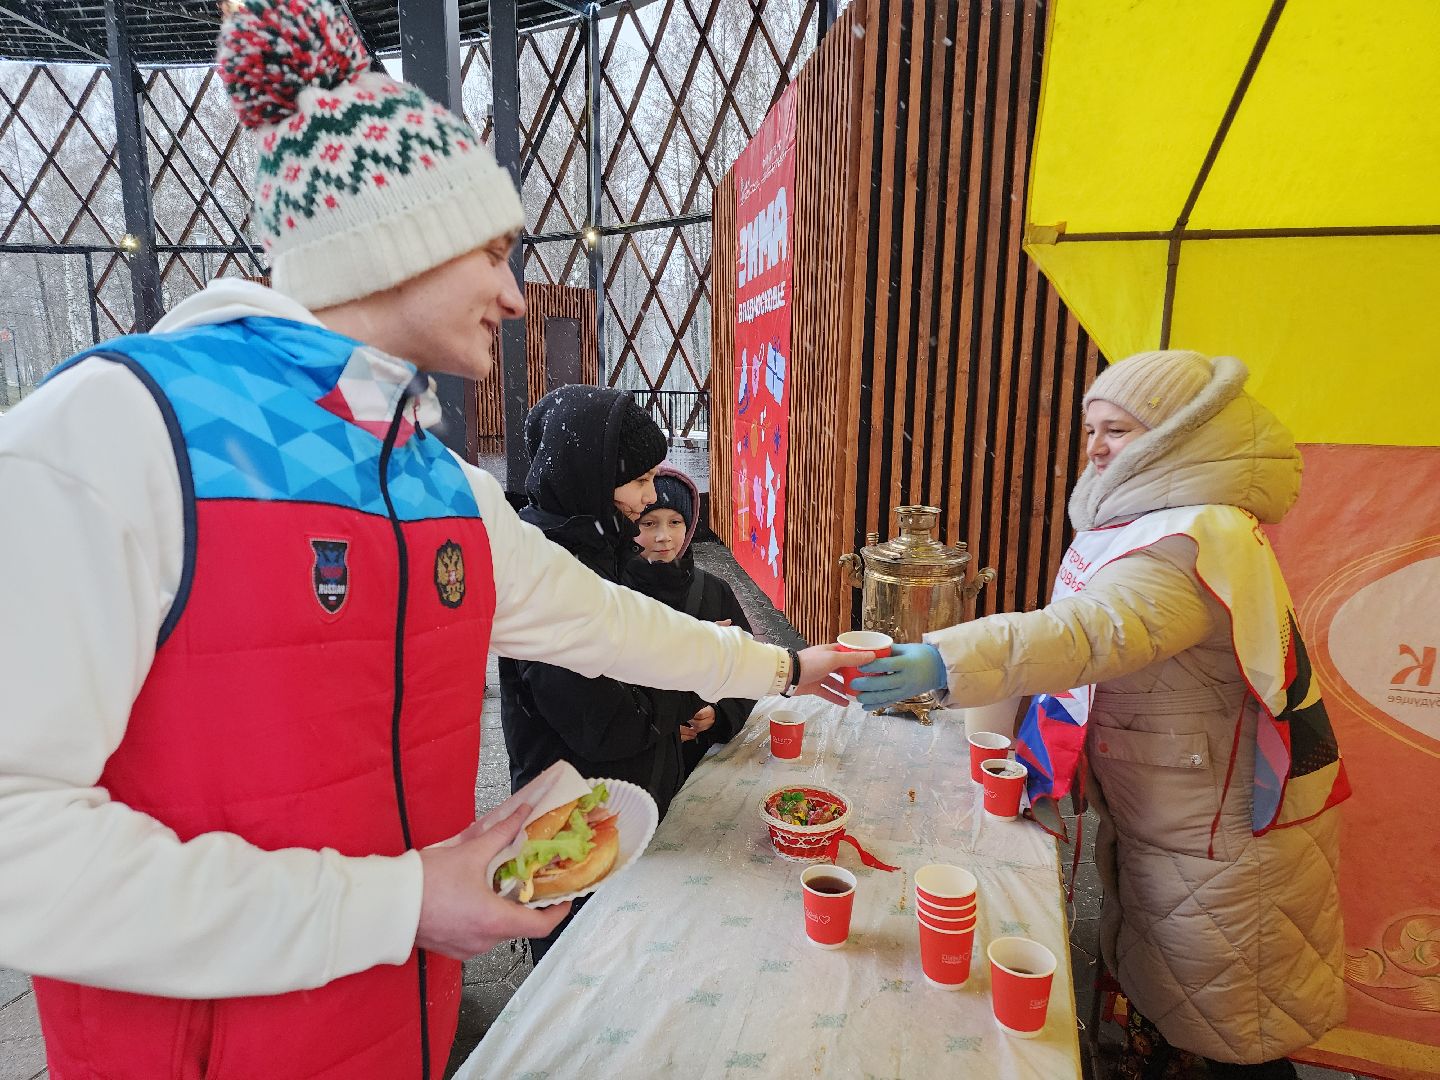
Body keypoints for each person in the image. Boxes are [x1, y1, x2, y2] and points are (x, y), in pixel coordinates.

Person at [0, 4, 862, 1078]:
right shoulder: (113, 431)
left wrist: (786, 665)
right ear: (386, 241)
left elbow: (603, 623)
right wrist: (398, 905)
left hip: (394, 1037)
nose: (513, 292)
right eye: (490, 251)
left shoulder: (433, 483)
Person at [854, 351, 1350, 1078]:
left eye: (1115, 431)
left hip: (1221, 826)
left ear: (1174, 437)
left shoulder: (1187, 539)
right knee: (1188, 989)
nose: (1093, 449)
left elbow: (1093, 632)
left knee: (1237, 1022)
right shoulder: (1165, 522)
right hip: (1179, 806)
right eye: (1091, 430)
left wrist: (946, 659)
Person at [623, 465, 756, 777]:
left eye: (675, 522)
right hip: (636, 763)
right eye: (648, 523)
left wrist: (719, 715)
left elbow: (746, 666)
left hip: (701, 762)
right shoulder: (615, 591)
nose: (663, 537)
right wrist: (657, 727)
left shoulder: (713, 591)